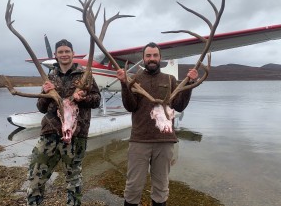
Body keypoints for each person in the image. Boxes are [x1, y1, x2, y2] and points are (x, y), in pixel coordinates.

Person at [116, 42, 199, 206]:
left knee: (161, 188)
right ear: (143, 58)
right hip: (139, 140)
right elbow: (130, 106)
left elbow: (180, 106)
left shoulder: (170, 80)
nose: (152, 58)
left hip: (165, 142)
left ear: (160, 58)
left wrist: (189, 85)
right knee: (133, 188)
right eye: (148, 56)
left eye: (155, 55)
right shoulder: (135, 80)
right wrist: (125, 84)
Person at [26, 39, 101, 206]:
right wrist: (45, 93)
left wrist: (83, 98)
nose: (64, 54)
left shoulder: (85, 75)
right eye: (60, 52)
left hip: (76, 135)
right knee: (36, 175)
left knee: (73, 180)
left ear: (73, 54)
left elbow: (96, 100)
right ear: (56, 55)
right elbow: (41, 107)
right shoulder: (50, 76)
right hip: (49, 134)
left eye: (67, 51)